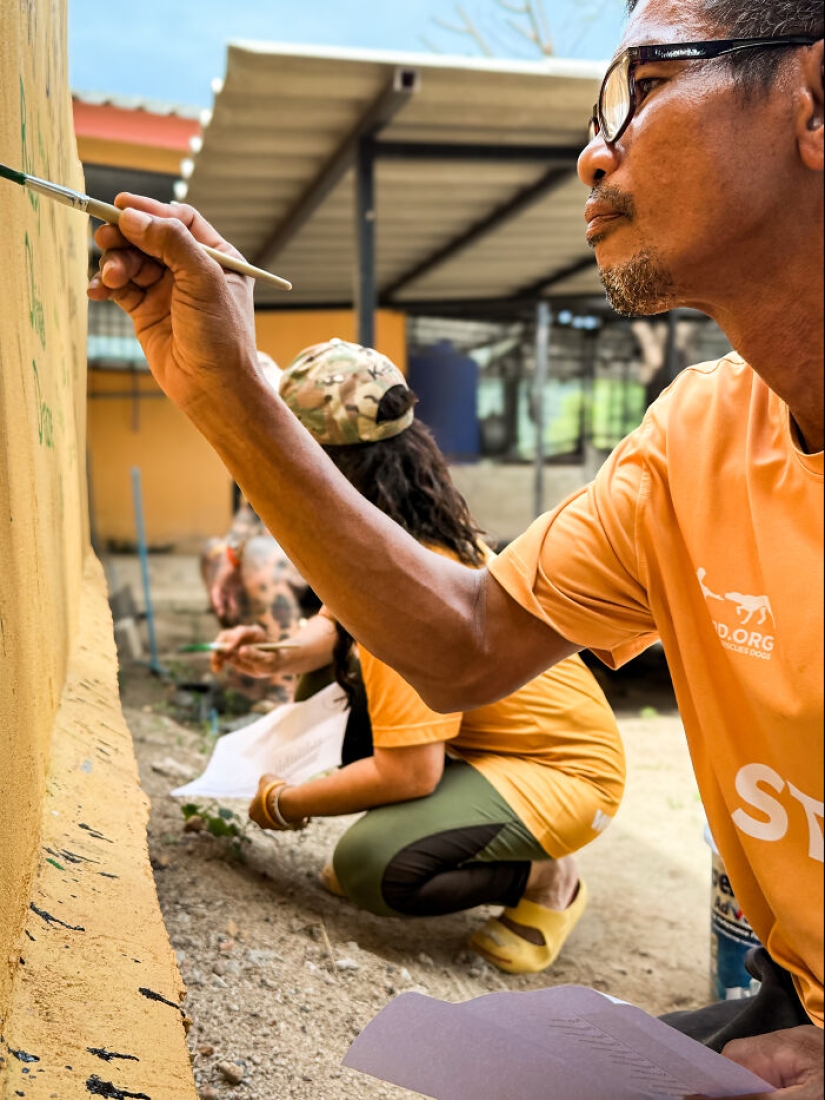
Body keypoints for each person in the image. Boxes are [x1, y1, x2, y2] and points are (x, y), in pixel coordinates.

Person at [87, 0, 823, 1091]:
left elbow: (412, 743)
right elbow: (464, 637)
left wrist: (274, 800)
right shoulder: (694, 436)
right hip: (797, 986)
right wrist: (224, 389)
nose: (594, 151)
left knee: (375, 850)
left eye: (649, 85)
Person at [210, 339, 626, 974]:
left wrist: (283, 803)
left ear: (326, 470)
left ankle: (548, 879)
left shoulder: (399, 588)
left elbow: (410, 775)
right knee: (334, 690)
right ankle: (447, 833)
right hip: (486, 746)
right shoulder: (403, 530)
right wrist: (278, 654)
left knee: (372, 867)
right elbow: (336, 625)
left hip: (565, 775)